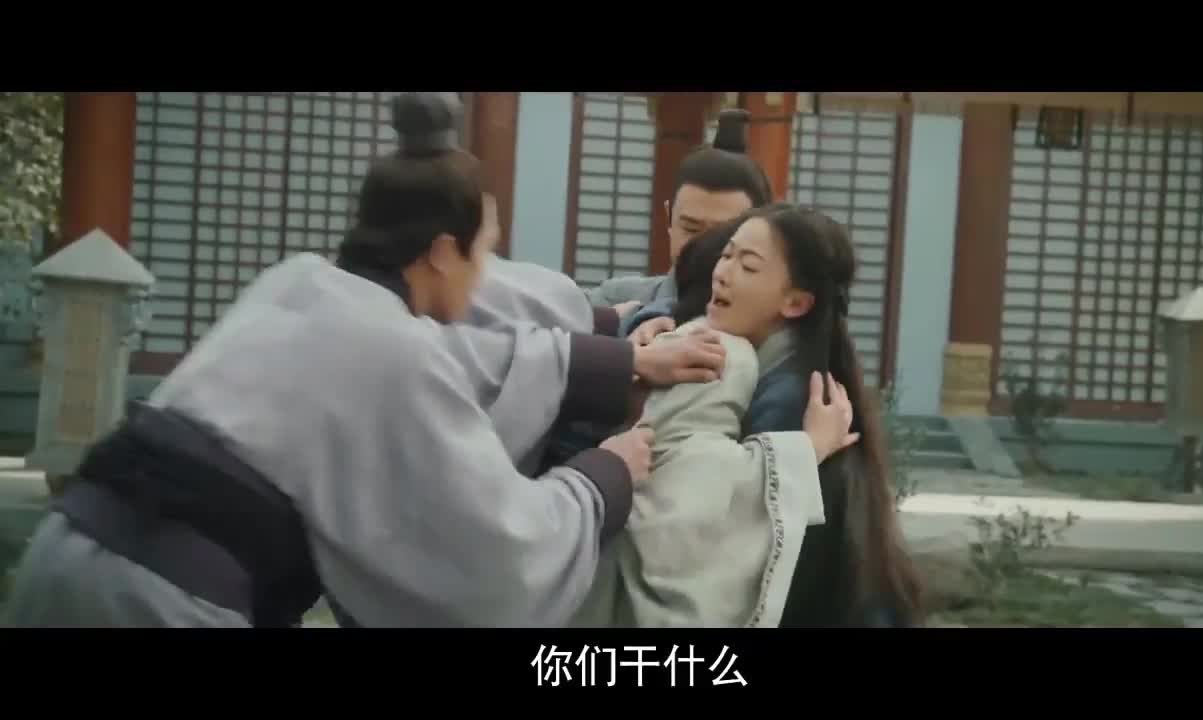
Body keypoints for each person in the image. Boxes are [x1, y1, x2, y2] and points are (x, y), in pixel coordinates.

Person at [1, 92, 726, 629]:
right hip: (158, 602)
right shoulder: (394, 348)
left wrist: (615, 348)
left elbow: (479, 343)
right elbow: (495, 552)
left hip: (64, 552)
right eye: (482, 252)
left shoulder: (298, 283)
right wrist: (602, 477)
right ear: (441, 252)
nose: (488, 274)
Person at [577, 203, 925, 628]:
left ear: (795, 302)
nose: (723, 272)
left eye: (748, 265)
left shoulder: (788, 399)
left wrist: (804, 453)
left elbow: (695, 507)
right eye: (726, 254)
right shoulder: (749, 360)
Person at [583, 107, 773, 310]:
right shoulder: (614, 302)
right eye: (691, 229)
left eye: (723, 234)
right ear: (669, 218)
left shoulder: (775, 321)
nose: (703, 247)